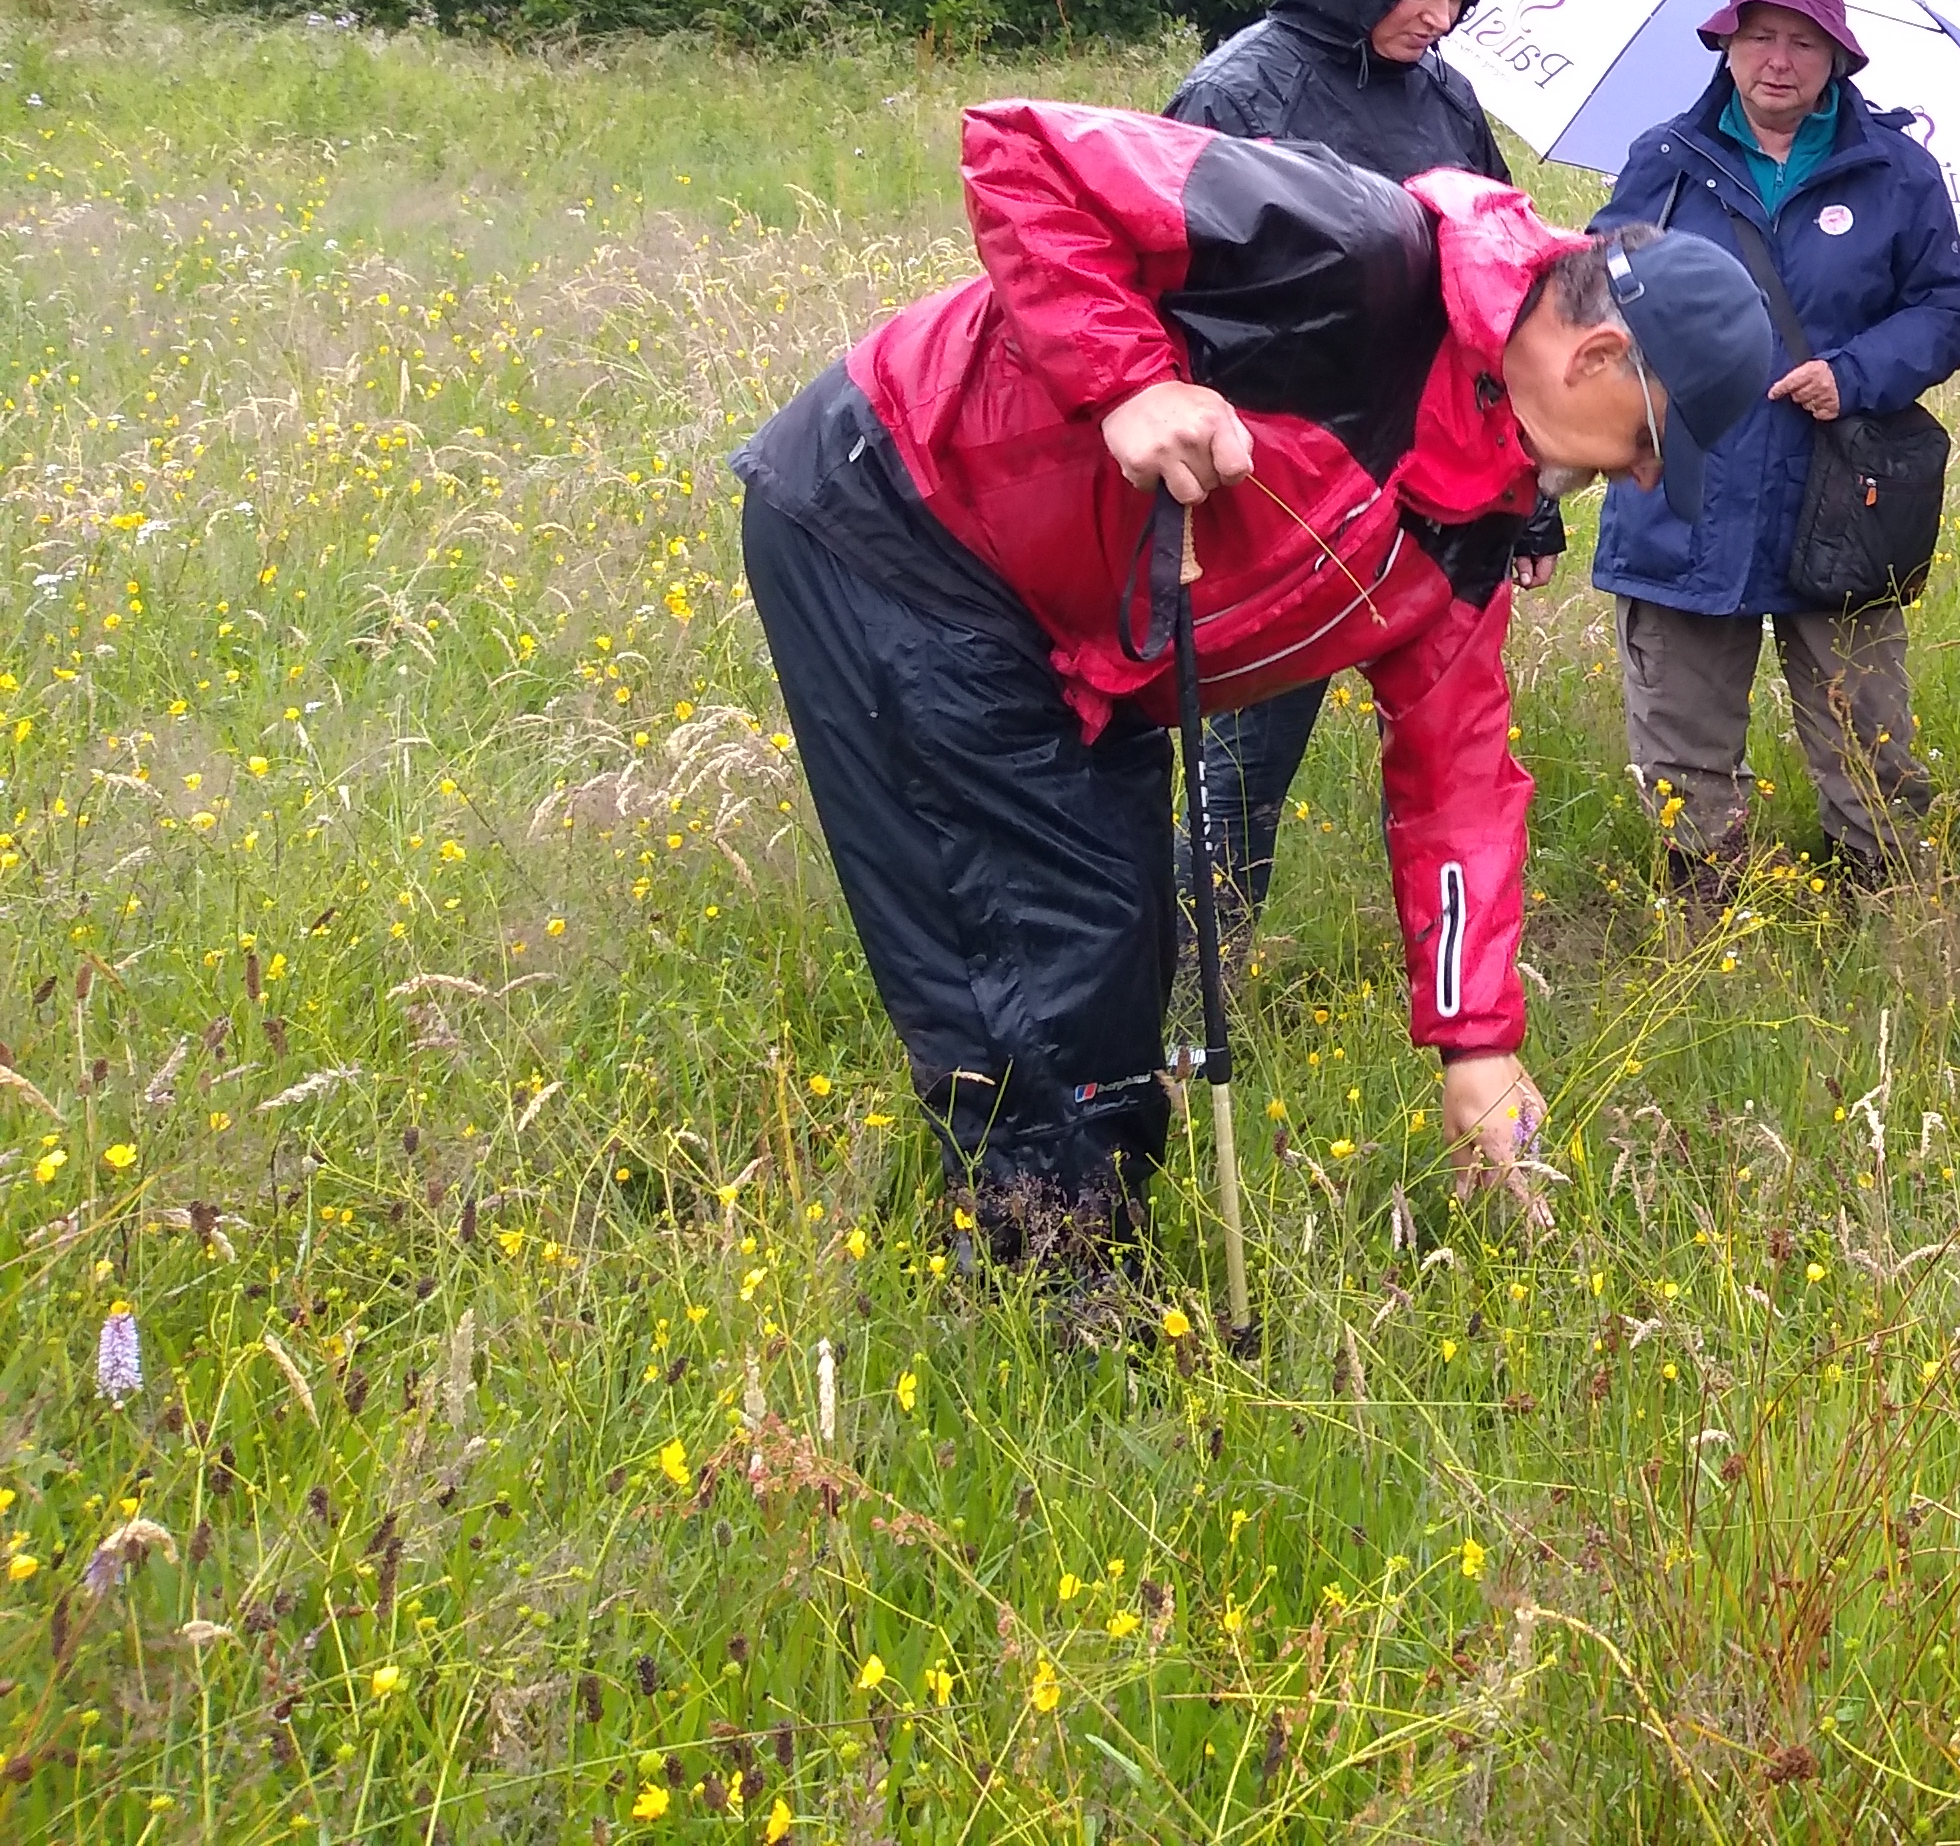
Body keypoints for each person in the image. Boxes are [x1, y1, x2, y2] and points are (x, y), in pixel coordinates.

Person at [732, 98, 1773, 1274]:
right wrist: (1128, 381)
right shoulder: (1352, 252)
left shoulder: (1472, 524)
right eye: (1645, 443)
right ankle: (1051, 1311)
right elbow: (1022, 152)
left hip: (1090, 639)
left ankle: (1061, 1269)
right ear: (1594, 358)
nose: (1635, 479)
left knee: (1118, 949)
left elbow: (1459, 788)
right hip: (900, 517)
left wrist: (1475, 1043)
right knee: (1031, 954)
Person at [1164, 0, 1561, 965]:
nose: (1438, 18)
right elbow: (1176, 291)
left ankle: (1448, 983)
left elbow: (1504, 289)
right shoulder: (1238, 91)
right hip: (1282, 479)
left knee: (1449, 756)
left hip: (1435, 475)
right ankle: (1197, 975)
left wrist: (1527, 503)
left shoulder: (1442, 96)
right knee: (1247, 749)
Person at [1591, 0, 1960, 904]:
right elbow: (1598, 294)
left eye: (1804, 42)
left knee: (1868, 734)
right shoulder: (1664, 162)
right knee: (1682, 741)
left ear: (1837, 58)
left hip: (1839, 493)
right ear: (1724, 44)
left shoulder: (1896, 171)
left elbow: (1949, 306)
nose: (1779, 59)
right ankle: (1706, 929)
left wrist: (1852, 374)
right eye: (1760, 35)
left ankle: (1889, 922)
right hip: (1683, 489)